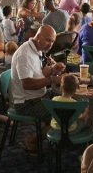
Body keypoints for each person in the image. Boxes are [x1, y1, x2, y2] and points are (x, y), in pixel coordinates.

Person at [10, 24, 65, 153]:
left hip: (39, 96)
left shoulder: (37, 49)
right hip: (26, 103)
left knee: (68, 102)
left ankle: (59, 137)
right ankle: (32, 140)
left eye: (52, 41)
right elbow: (27, 84)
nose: (50, 44)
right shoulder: (24, 54)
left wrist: (52, 70)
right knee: (63, 115)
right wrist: (52, 79)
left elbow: (38, 74)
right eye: (48, 40)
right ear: (38, 36)